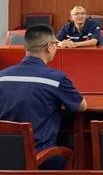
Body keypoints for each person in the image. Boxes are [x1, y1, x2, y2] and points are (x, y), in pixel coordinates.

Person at [0, 25, 87, 169]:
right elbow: (81, 106)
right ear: (49, 47)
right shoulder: (56, 79)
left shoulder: (2, 76)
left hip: (4, 157)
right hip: (40, 159)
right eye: (56, 44)